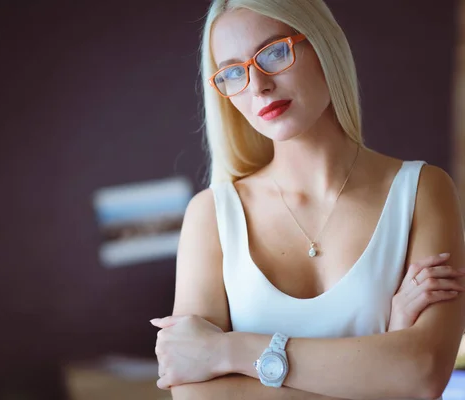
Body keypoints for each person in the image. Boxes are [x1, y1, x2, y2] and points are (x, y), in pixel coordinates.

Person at [149, 0, 465, 399]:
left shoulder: (422, 191)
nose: (259, 85)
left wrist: (228, 351)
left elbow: (422, 374)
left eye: (275, 52)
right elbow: (199, 396)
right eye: (233, 73)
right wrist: (384, 359)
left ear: (324, 46)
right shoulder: (211, 215)